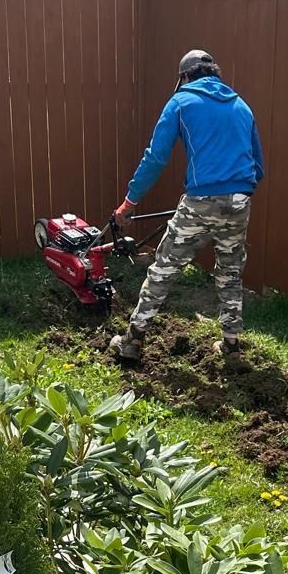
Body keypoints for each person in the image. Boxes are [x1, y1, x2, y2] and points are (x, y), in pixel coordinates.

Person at [109, 48, 263, 362]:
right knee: (230, 272)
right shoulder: (242, 107)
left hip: (201, 200)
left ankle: (132, 340)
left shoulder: (180, 102)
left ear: (184, 77)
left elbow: (155, 158)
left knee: (165, 267)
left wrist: (130, 201)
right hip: (239, 200)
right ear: (215, 74)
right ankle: (232, 346)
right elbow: (258, 166)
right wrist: (232, 196)